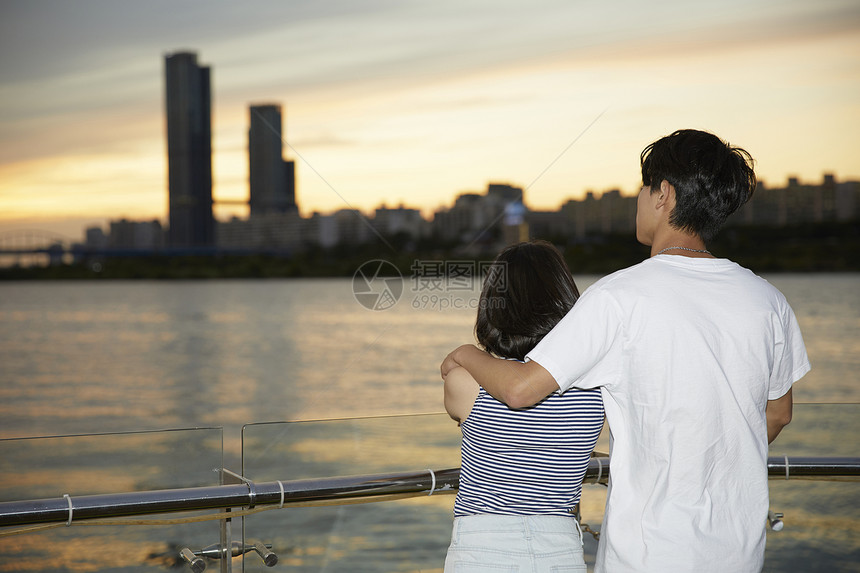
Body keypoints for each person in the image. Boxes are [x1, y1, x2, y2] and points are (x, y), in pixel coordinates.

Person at [441, 129, 810, 573]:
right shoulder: (768, 301)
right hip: (739, 547)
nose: (638, 198)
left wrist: (465, 352)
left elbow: (520, 391)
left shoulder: (619, 296)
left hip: (648, 550)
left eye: (643, 187)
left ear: (663, 194)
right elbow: (777, 414)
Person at [443, 240, 604, 572]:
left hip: (483, 547)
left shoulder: (465, 384)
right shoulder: (595, 388)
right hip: (560, 548)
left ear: (495, 307)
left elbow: (458, 392)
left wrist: (465, 353)